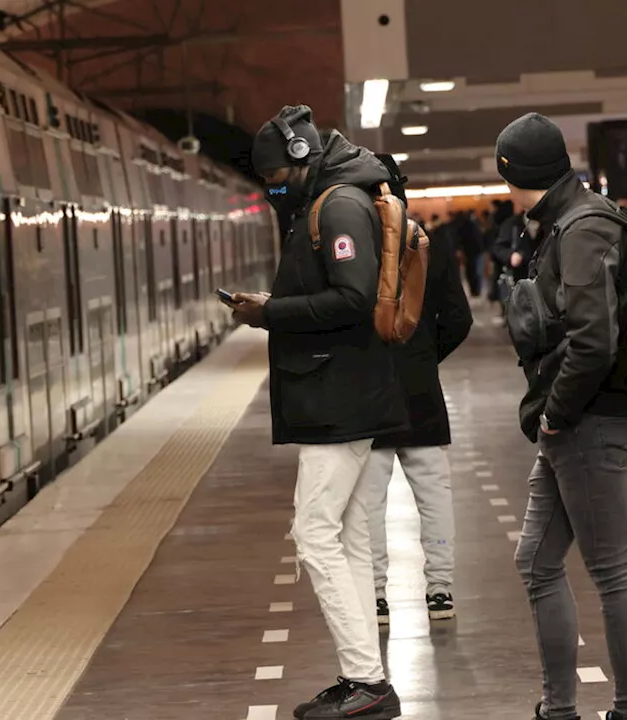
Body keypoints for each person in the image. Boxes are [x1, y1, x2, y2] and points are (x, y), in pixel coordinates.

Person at [235, 104, 408, 720]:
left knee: (314, 536)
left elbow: (354, 297)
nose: (272, 186)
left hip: (341, 397)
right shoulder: (327, 200)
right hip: (344, 392)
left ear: (302, 158)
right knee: (352, 538)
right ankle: (365, 678)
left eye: (277, 174)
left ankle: (366, 681)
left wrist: (269, 312)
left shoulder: (337, 206)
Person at [495, 112, 627, 720]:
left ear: (517, 172)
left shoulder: (581, 228)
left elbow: (593, 342)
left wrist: (556, 415)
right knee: (535, 560)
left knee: (612, 569)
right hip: (577, 419)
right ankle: (558, 708)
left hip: (592, 420)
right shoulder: (566, 219)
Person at [366, 183, 473, 625]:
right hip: (421, 390)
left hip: (368, 393)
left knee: (368, 500)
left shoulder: (352, 247)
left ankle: (375, 597)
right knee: (434, 493)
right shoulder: (430, 244)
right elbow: (459, 319)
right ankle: (440, 591)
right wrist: (425, 357)